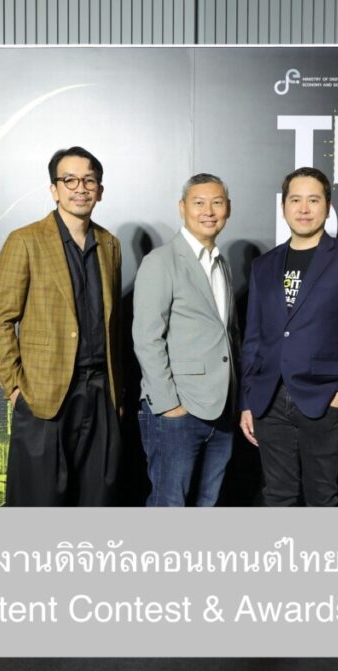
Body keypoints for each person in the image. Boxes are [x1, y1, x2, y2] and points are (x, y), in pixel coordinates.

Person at [240, 167, 338, 506]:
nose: (304, 209)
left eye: (313, 200)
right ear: (283, 207)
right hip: (268, 401)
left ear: (327, 206)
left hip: (324, 399)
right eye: (295, 200)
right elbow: (253, 338)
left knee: (322, 498)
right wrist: (247, 400)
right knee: (277, 496)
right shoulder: (264, 265)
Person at [0, 146, 122, 506]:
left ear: (100, 190)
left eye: (89, 180)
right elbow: (1, 318)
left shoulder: (110, 244)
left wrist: (115, 392)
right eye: (70, 180)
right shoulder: (25, 240)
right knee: (39, 501)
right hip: (44, 394)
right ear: (54, 189)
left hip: (100, 391)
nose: (81, 188)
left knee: (97, 500)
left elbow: (115, 323)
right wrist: (15, 388)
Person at [133, 173, 239, 506]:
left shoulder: (221, 264)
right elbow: (147, 338)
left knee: (207, 504)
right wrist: (169, 405)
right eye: (199, 203)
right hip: (178, 411)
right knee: (169, 506)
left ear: (228, 209)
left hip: (222, 411)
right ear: (182, 208)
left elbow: (226, 335)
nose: (209, 211)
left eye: (217, 203)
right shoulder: (160, 262)